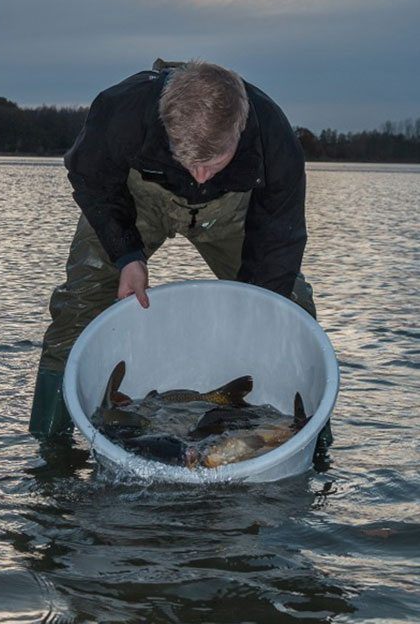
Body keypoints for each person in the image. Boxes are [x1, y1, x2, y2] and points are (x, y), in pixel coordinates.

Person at [29, 59, 316, 439]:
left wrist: (260, 311)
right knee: (78, 302)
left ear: (239, 130)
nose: (199, 176)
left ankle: (309, 440)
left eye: (212, 162)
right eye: (188, 160)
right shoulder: (121, 109)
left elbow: (280, 236)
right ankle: (50, 444)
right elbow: (92, 180)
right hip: (140, 197)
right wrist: (127, 255)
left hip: (231, 208)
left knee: (289, 306)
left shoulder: (275, 139)